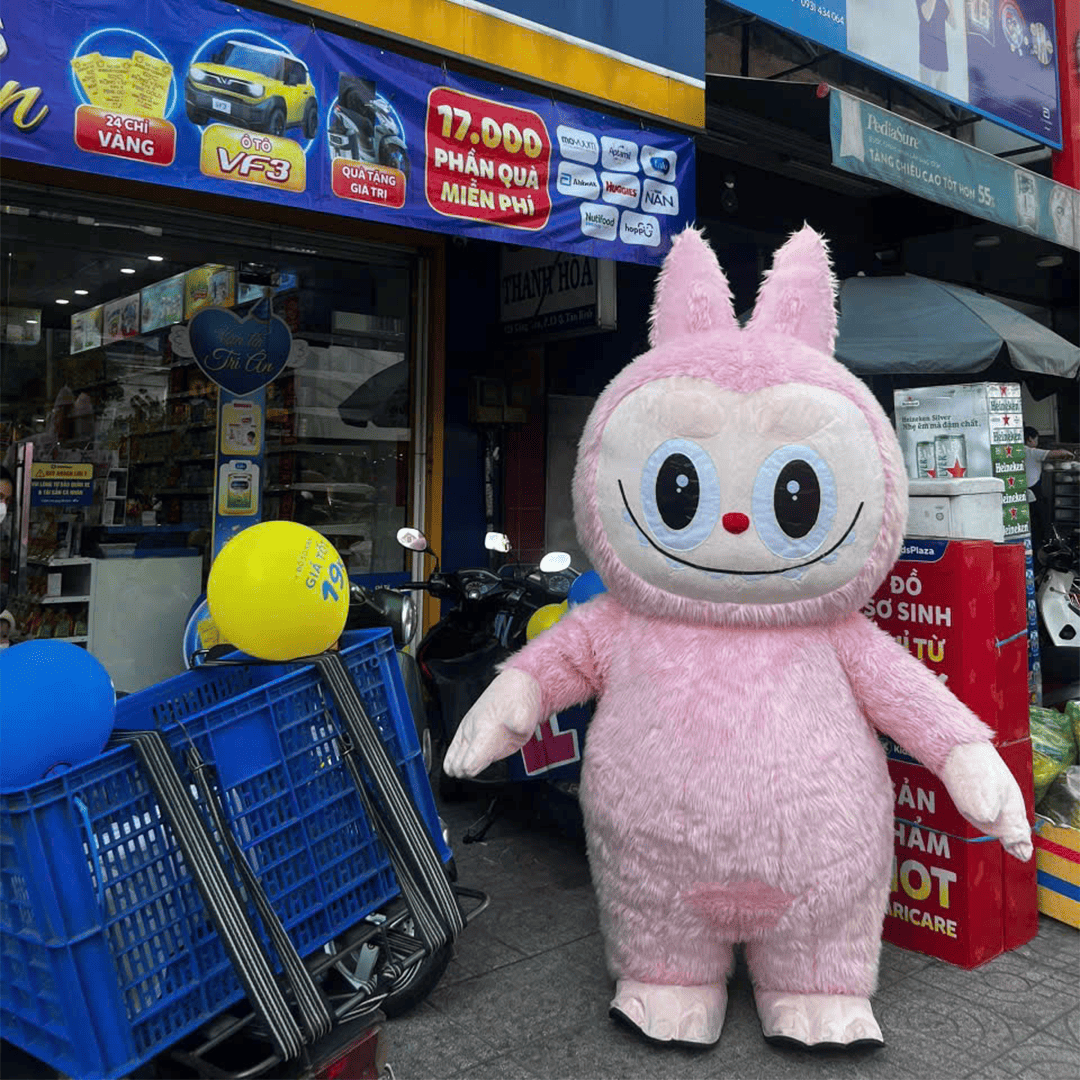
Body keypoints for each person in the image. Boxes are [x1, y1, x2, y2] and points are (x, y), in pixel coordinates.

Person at [1025, 426, 1075, 552]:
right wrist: (1071, 453)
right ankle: (1040, 549)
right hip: (1033, 494)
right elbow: (1062, 454)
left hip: (1022, 493)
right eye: (1036, 440)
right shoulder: (1031, 452)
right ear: (1030, 439)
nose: (1036, 443)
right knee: (1039, 525)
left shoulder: (1017, 451)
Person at [917, 0, 956, 93]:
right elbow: (927, 16)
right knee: (928, 96)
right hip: (927, 59)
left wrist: (951, 3)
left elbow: (953, 24)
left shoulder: (941, 2)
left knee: (942, 98)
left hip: (942, 60)